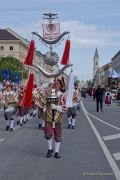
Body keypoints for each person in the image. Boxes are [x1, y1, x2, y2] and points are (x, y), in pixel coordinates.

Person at [44, 78, 65, 159]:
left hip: (57, 117)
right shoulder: (49, 91)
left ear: (60, 85)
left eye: (57, 83)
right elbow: (43, 98)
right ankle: (50, 149)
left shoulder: (63, 94)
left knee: (57, 135)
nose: (56, 85)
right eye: (54, 83)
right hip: (49, 116)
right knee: (47, 134)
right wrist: (48, 86)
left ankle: (56, 151)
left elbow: (66, 107)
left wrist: (57, 107)